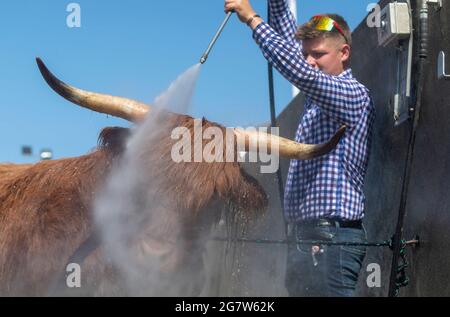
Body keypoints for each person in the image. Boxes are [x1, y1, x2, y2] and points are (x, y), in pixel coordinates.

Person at [224, 0, 375, 297]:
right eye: (306, 53)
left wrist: (252, 19)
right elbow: (289, 48)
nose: (308, 60)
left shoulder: (352, 94)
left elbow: (300, 72)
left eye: (318, 54)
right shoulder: (316, 96)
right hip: (309, 237)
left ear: (344, 53)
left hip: (333, 239)